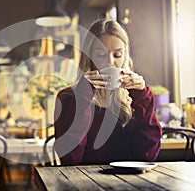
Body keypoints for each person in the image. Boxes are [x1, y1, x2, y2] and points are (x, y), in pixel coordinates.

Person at [54, 19, 162, 165]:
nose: (110, 63)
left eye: (117, 55)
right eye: (101, 54)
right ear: (89, 57)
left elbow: (147, 156)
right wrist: (82, 95)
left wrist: (142, 96)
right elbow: (70, 159)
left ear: (125, 57)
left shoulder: (135, 98)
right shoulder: (67, 98)